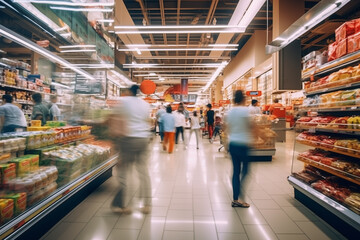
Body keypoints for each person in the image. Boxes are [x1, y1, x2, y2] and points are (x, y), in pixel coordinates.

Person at [110, 85, 152, 214]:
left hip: (128, 139)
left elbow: (115, 120)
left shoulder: (123, 101)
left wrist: (115, 142)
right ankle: (147, 205)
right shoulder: (145, 104)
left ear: (128, 92)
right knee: (143, 171)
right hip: (143, 139)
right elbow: (147, 121)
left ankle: (120, 206)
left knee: (123, 172)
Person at [225, 90, 253, 208]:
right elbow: (251, 126)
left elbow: (227, 128)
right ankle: (241, 197)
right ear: (243, 99)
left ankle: (235, 199)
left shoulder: (230, 112)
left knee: (236, 171)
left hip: (233, 144)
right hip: (243, 144)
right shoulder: (245, 111)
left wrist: (227, 143)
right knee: (245, 171)